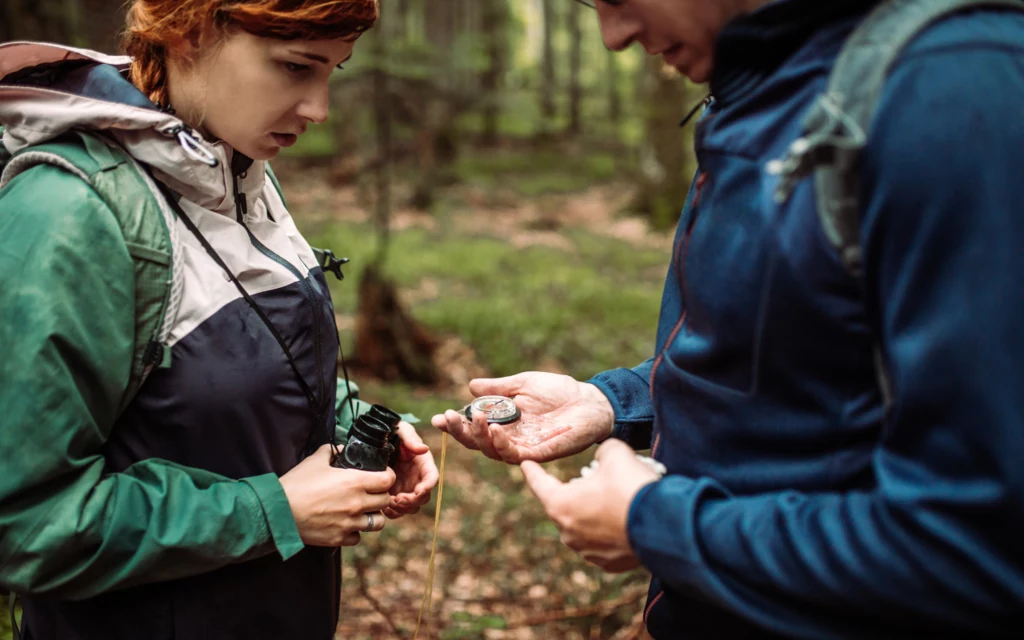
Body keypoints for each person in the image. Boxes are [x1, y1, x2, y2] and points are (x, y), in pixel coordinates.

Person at [434, 0, 1024, 637]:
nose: (612, 37)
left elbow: (978, 546)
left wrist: (660, 526)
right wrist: (613, 403)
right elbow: (806, 373)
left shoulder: (951, 86)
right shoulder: (760, 88)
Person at [0, 1, 438, 639]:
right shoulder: (71, 213)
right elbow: (24, 525)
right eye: (295, 67)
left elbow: (244, 369)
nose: (319, 108)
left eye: (334, 72)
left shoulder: (238, 173)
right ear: (191, 32)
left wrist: (360, 429)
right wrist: (273, 513)